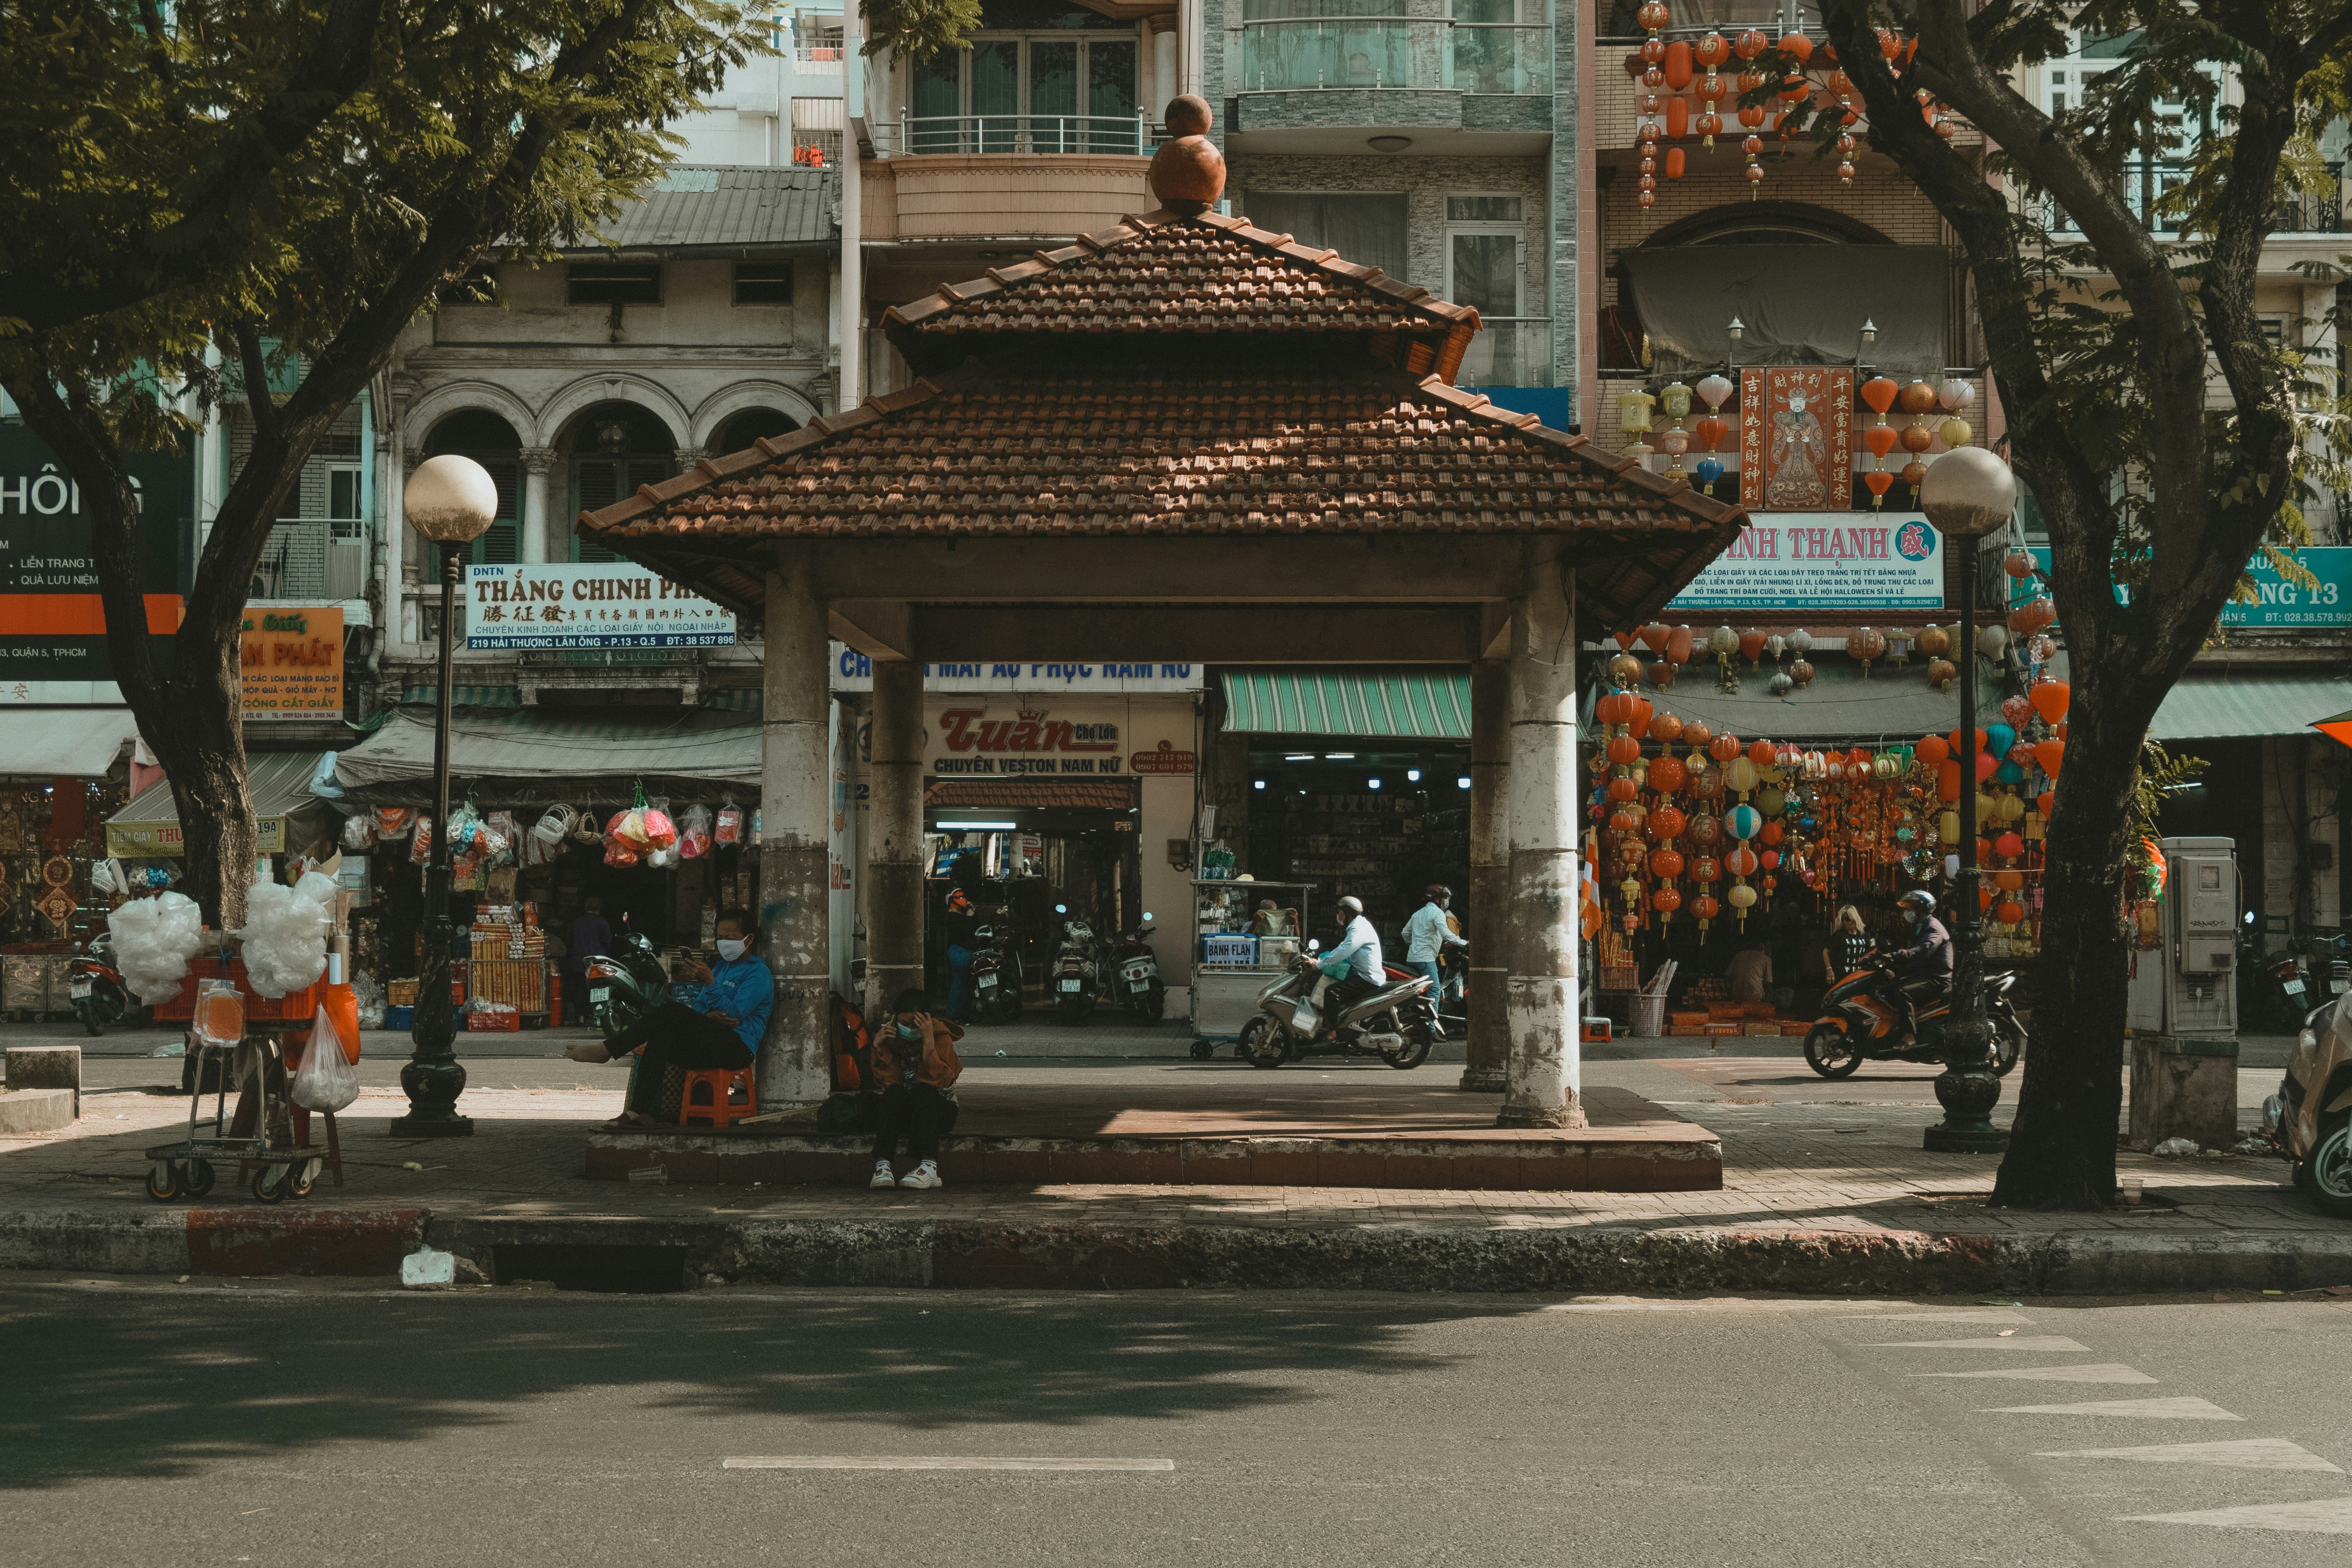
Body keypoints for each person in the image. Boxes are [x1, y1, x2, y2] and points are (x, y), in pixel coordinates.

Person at [565, 909, 774, 1127]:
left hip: (738, 1048)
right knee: (661, 1039)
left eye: (729, 937)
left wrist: (710, 982)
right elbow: (700, 1006)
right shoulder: (722, 967)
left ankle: (609, 1050)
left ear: (749, 939)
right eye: (720, 937)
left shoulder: (758, 973)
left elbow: (734, 1015)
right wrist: (708, 1015)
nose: (723, 943)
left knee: (671, 1010)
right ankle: (638, 1112)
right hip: (711, 1041)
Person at [871, 987, 964, 1190]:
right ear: (895, 1019)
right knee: (892, 1094)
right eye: (904, 1024)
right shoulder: (892, 1036)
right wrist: (879, 1047)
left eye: (915, 1024)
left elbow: (939, 1081)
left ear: (927, 1019)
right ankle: (882, 1166)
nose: (909, 1029)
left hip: (938, 1110)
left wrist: (928, 1041)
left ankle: (929, 1167)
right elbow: (888, 1081)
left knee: (923, 1091)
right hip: (909, 1111)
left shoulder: (940, 1036)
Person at [1887, 889, 1953, 1044]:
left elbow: (1922, 951)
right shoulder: (1923, 926)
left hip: (1937, 978)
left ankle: (1909, 1036)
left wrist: (1895, 955)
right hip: (1925, 974)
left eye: (1911, 908)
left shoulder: (1933, 928)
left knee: (1904, 992)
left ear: (1921, 909)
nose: (1908, 912)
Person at [1319, 894, 1385, 1029]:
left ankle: (1331, 1034)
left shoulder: (1358, 929)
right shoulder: (1359, 925)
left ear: (1346, 913)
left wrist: (1319, 965)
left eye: (1339, 912)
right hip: (1363, 975)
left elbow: (1344, 950)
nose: (1338, 915)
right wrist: (1323, 960)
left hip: (1367, 978)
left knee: (1331, 992)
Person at [1401, 884, 1467, 996]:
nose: (1446, 901)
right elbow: (1446, 934)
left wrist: (1415, 945)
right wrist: (1463, 943)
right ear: (1437, 899)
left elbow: (1405, 933)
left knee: (1415, 991)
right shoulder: (1438, 913)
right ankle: (1433, 1009)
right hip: (1426, 959)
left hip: (1411, 959)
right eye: (1444, 898)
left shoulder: (1418, 913)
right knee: (1435, 990)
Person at [941, 885, 980, 1022]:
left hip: (967, 951)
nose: (963, 899)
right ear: (951, 901)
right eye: (958, 897)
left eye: (963, 896)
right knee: (960, 983)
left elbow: (976, 928)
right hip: (959, 951)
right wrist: (969, 917)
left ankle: (964, 1014)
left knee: (967, 983)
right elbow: (966, 932)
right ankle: (954, 1014)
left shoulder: (962, 914)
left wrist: (973, 913)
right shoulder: (952, 916)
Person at [1825, 905, 1875, 984]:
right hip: (1842, 976)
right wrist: (1829, 969)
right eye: (1842, 920)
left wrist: (1882, 969)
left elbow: (1870, 954)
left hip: (1859, 975)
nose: (1845, 922)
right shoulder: (1839, 935)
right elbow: (1826, 952)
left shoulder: (1863, 935)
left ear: (1854, 918)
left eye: (1847, 919)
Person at [566, 894, 612, 979]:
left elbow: (570, 941)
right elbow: (607, 942)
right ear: (599, 908)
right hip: (597, 964)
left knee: (579, 986)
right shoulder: (602, 922)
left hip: (578, 965)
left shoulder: (577, 922)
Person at [1725, 939, 1773, 1004]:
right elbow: (1768, 983)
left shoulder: (1739, 955)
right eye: (1769, 946)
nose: (1771, 949)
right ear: (1762, 946)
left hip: (1736, 995)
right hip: (1755, 996)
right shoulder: (1766, 959)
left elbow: (1728, 975)